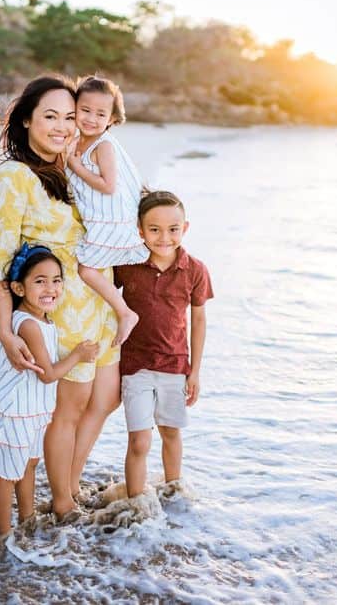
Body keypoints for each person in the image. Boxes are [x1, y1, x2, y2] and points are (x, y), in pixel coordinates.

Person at [0, 75, 121, 521]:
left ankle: (68, 484)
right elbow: (0, 261)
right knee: (67, 410)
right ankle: (63, 501)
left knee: (106, 399)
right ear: (27, 119)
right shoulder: (13, 177)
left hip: (98, 304)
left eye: (70, 117)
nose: (62, 126)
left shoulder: (70, 167)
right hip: (61, 311)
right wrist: (5, 330)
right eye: (50, 116)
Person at [0, 243, 99, 548]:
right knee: (8, 473)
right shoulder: (29, 325)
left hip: (35, 407)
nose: (50, 288)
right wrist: (78, 355)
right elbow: (48, 373)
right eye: (40, 281)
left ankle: (26, 521)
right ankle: (1, 536)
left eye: (56, 280)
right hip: (20, 408)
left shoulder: (40, 319)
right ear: (19, 288)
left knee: (28, 465)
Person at [113, 190, 214, 499]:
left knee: (171, 433)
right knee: (139, 441)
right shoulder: (126, 264)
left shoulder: (195, 269)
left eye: (173, 229)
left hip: (174, 366)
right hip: (135, 365)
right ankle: (134, 506)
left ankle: (174, 494)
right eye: (154, 229)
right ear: (140, 230)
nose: (164, 237)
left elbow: (198, 321)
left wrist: (194, 371)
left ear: (184, 229)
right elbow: (98, 290)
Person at [66, 75, 148, 347]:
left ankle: (125, 312)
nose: (91, 118)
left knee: (87, 270)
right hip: (98, 217)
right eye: (85, 110)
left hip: (111, 219)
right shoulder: (77, 141)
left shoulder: (103, 145)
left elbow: (109, 185)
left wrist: (76, 167)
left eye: (100, 114)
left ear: (111, 119)